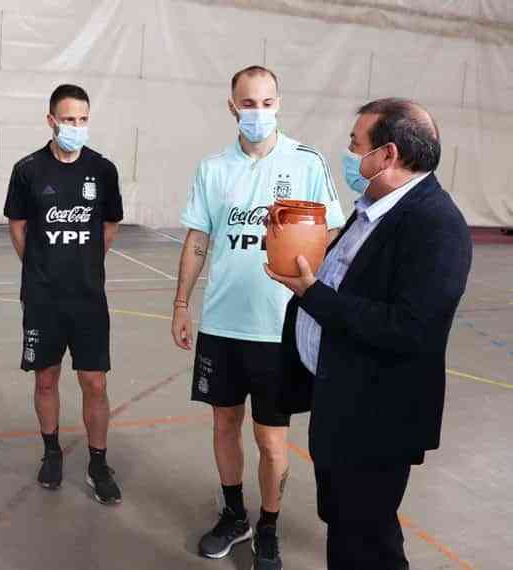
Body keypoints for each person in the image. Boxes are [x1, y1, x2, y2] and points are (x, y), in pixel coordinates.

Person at [266, 98, 472, 569]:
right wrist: (290, 243)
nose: (350, 154)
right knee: (345, 526)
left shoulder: (437, 225)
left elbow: (412, 328)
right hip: (341, 404)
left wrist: (312, 295)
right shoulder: (374, 208)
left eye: (356, 145)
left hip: (377, 419)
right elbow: (345, 275)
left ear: (388, 155)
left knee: (367, 541)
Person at [171, 65, 345, 568]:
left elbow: (333, 231)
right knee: (224, 423)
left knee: (271, 439)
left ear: (279, 104)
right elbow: (198, 238)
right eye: (248, 104)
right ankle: (233, 516)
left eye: (267, 103)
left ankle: (268, 524)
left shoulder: (306, 162)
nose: (258, 112)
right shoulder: (213, 168)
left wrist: (307, 274)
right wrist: (181, 304)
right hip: (222, 323)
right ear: (232, 107)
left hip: (278, 326)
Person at [4, 84, 124, 505]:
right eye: (69, 119)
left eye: (83, 119)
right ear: (51, 121)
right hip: (42, 298)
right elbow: (18, 226)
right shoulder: (28, 170)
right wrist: (41, 267)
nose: (76, 126)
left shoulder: (103, 170)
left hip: (88, 297)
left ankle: (98, 463)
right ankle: (51, 452)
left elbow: (109, 226)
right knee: (46, 379)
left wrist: (84, 264)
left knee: (95, 381)